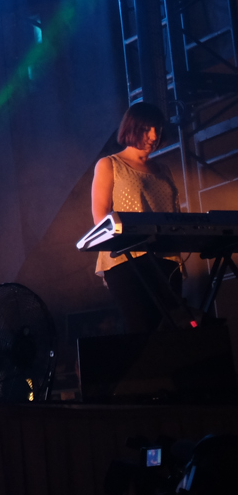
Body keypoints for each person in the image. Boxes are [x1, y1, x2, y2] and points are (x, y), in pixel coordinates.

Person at [92, 102, 184, 333]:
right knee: (143, 328)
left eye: (157, 129)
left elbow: (175, 216)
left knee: (171, 330)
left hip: (165, 258)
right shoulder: (110, 164)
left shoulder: (164, 170)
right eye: (146, 129)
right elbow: (101, 219)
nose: (153, 136)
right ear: (131, 128)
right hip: (127, 259)